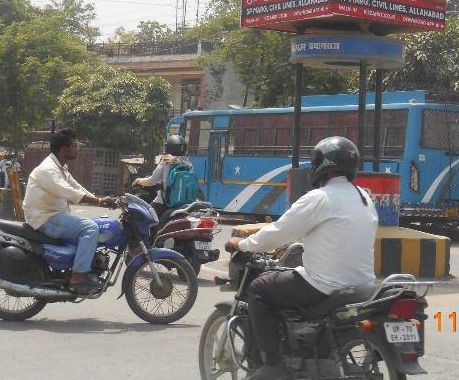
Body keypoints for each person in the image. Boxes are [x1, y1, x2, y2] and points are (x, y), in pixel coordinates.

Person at [225, 136, 378, 380]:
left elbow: (277, 233)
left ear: (320, 166)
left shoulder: (319, 198)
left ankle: (272, 364)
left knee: (260, 288)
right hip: (363, 285)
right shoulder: (363, 196)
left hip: (325, 285)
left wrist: (242, 244)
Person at [22, 130, 115, 293]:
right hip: (46, 218)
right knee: (91, 228)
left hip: (53, 214)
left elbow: (76, 186)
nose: (76, 149)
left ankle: (78, 266)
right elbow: (69, 192)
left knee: (91, 224)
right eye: (74, 146)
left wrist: (100, 200)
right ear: (64, 149)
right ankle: (78, 277)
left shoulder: (60, 167)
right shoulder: (49, 170)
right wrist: (99, 201)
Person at [132, 135, 192, 219]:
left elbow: (151, 181)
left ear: (169, 147)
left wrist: (138, 180)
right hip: (184, 202)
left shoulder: (166, 160)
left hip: (164, 202)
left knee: (146, 217)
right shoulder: (187, 162)